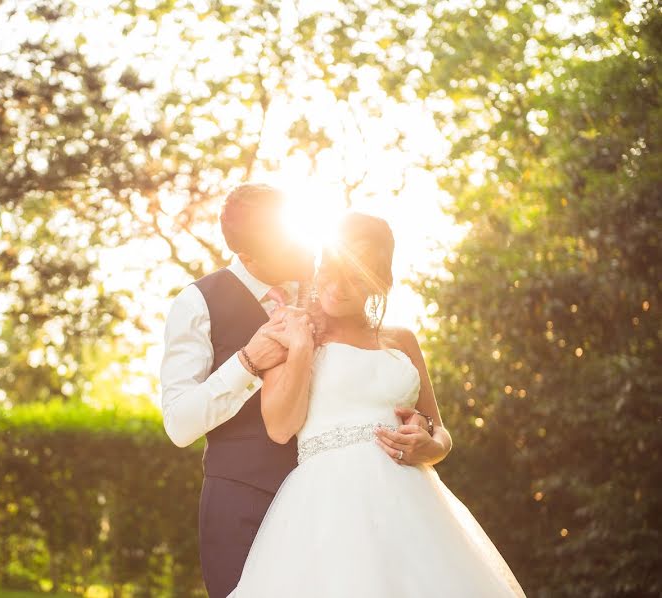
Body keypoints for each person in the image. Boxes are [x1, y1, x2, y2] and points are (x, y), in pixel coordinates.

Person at [225, 212, 528, 598]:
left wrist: (431, 447)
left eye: (356, 275)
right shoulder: (289, 328)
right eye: (331, 270)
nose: (339, 285)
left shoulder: (402, 340)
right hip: (329, 504)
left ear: (380, 282)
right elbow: (281, 427)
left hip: (412, 503)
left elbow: (439, 430)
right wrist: (302, 348)